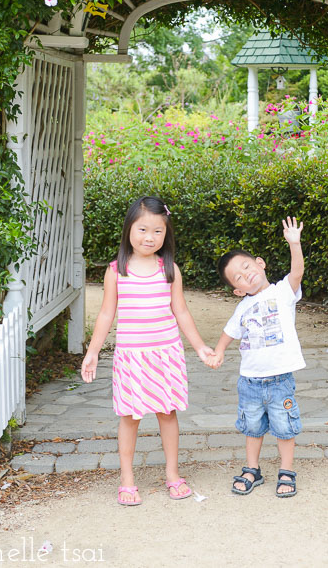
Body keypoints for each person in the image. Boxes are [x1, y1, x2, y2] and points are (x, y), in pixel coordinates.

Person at [81, 195, 214, 506]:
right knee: (129, 416)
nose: (149, 237)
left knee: (167, 413)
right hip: (131, 357)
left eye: (158, 231)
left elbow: (181, 311)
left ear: (165, 235)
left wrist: (200, 347)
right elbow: (105, 314)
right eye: (142, 229)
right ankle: (127, 479)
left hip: (165, 355)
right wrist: (93, 352)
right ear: (129, 229)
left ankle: (172, 473)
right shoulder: (116, 271)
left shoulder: (170, 270)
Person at [208, 217, 305, 498]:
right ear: (238, 290)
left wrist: (294, 244)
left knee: (285, 428)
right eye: (238, 277)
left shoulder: (282, 292)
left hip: (280, 381)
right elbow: (229, 332)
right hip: (249, 382)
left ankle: (286, 471)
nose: (245, 274)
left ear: (260, 263)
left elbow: (297, 272)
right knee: (252, 428)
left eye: (246, 266)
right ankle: (252, 469)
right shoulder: (243, 307)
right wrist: (219, 351)